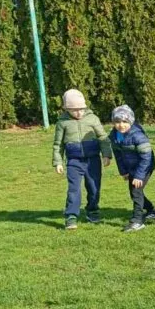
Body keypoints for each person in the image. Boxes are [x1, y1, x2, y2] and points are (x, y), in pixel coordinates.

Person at [52, 89, 111, 230]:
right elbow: (58, 144)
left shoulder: (93, 119)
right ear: (66, 109)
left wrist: (106, 154)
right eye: (74, 110)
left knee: (94, 187)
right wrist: (58, 162)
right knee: (74, 189)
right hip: (74, 162)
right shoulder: (62, 122)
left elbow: (103, 137)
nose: (79, 113)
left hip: (93, 161)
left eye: (81, 109)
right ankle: (71, 216)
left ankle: (93, 210)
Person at [109, 105, 155, 232]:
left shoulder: (137, 135)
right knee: (134, 193)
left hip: (145, 166)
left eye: (125, 121)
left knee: (136, 191)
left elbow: (146, 157)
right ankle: (152, 211)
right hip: (131, 167)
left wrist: (139, 176)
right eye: (117, 122)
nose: (121, 125)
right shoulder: (114, 135)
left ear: (131, 121)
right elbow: (118, 155)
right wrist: (124, 171)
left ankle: (137, 221)